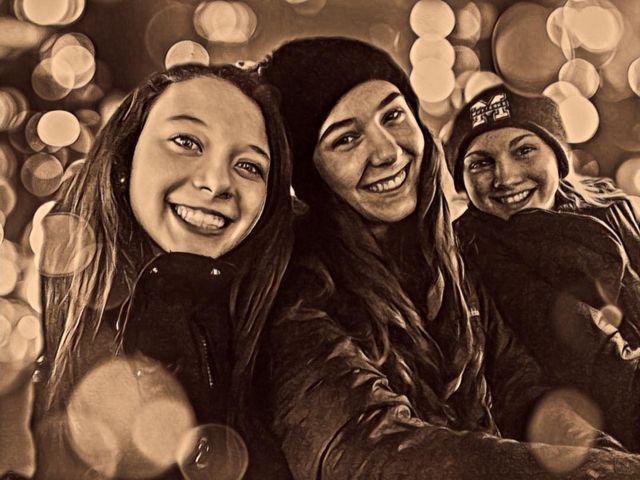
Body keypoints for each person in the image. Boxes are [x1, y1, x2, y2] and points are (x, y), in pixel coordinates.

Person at [259, 36, 640, 479]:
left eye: (393, 116)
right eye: (346, 138)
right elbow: (368, 450)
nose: (387, 151)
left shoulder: (447, 259)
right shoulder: (298, 290)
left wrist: (606, 460)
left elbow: (522, 392)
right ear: (310, 172)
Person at [32, 64, 294, 479]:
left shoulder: (285, 321)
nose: (216, 183)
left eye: (248, 166)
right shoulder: (61, 316)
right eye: (186, 142)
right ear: (125, 158)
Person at [447, 83, 640, 452]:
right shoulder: (464, 259)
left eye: (524, 150)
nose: (505, 177)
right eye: (481, 163)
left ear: (557, 156)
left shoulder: (614, 210)